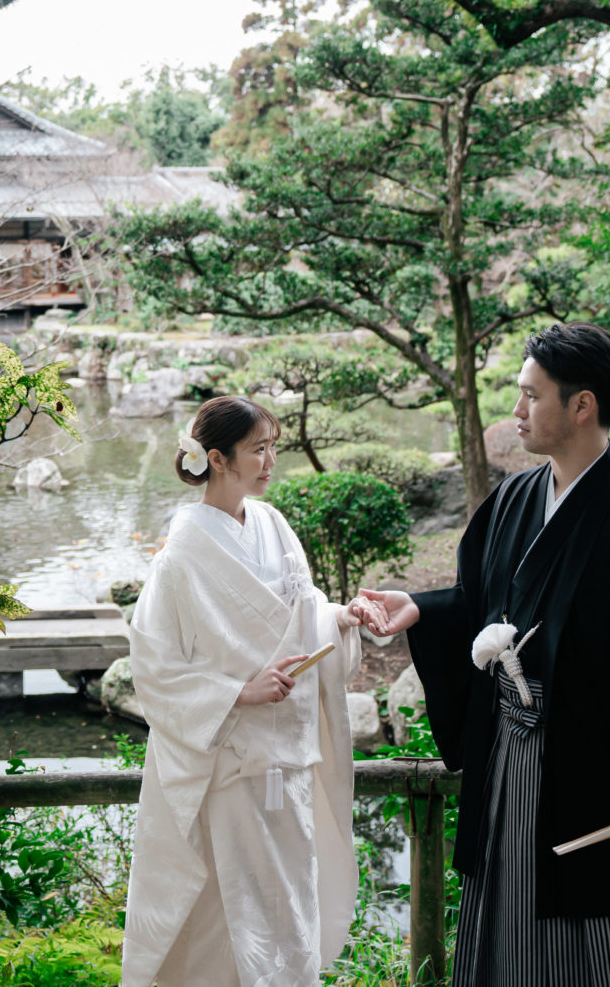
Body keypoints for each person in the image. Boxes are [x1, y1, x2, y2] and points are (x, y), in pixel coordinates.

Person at [359, 323, 610, 986]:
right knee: (510, 922)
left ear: (582, 404)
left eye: (530, 395)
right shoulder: (514, 499)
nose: (517, 411)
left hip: (607, 773)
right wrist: (423, 608)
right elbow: (483, 601)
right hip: (514, 757)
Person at [121, 396, 382, 987]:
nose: (270, 462)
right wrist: (238, 690)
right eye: (257, 450)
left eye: (272, 448)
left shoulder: (272, 524)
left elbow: (303, 612)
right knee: (227, 912)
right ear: (216, 459)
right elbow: (154, 666)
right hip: (232, 763)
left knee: (290, 908)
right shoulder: (180, 557)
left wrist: (340, 619)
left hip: (288, 758)